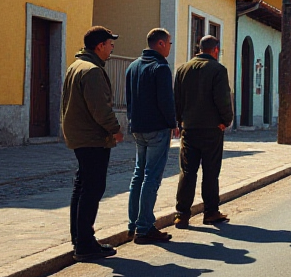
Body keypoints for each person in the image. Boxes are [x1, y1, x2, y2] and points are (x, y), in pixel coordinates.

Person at [61, 26, 124, 261]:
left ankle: (80, 238)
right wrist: (115, 130)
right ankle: (85, 244)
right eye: (110, 44)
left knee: (82, 186)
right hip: (92, 137)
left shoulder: (76, 66)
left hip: (79, 135)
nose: (111, 49)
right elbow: (100, 109)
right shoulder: (92, 71)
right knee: (93, 188)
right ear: (99, 46)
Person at [173, 35, 234, 228]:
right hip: (212, 129)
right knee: (210, 172)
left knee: (187, 171)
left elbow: (176, 98)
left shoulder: (182, 69)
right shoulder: (218, 70)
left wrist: (179, 120)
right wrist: (226, 120)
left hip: (189, 128)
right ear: (216, 49)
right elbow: (222, 98)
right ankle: (210, 212)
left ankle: (182, 214)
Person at [125, 28, 178, 244]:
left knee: (138, 174)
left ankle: (133, 223)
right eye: (170, 43)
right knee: (151, 177)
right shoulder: (161, 67)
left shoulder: (133, 66)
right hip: (157, 128)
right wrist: (173, 123)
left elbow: (128, 99)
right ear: (161, 44)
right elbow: (166, 100)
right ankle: (144, 227)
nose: (170, 47)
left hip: (138, 127)